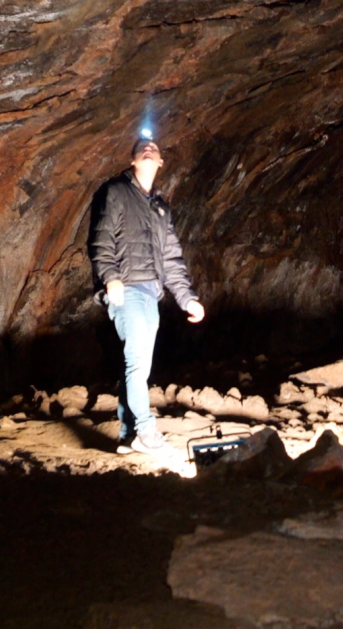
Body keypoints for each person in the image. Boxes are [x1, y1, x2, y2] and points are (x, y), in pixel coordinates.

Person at [89, 134, 205, 457]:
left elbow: (171, 260)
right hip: (126, 289)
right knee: (138, 362)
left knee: (136, 365)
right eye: (142, 147)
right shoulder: (115, 193)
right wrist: (110, 278)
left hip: (151, 293)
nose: (148, 148)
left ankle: (128, 436)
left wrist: (187, 299)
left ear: (161, 162)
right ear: (133, 160)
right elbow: (101, 240)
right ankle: (145, 430)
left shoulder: (161, 210)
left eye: (154, 147)